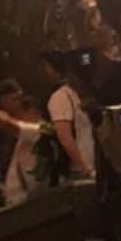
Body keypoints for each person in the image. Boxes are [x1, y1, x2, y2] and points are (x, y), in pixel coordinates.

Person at [41, 51, 96, 179]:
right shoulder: (60, 97)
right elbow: (65, 137)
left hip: (94, 165)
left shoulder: (81, 94)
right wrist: (85, 169)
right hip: (81, 170)